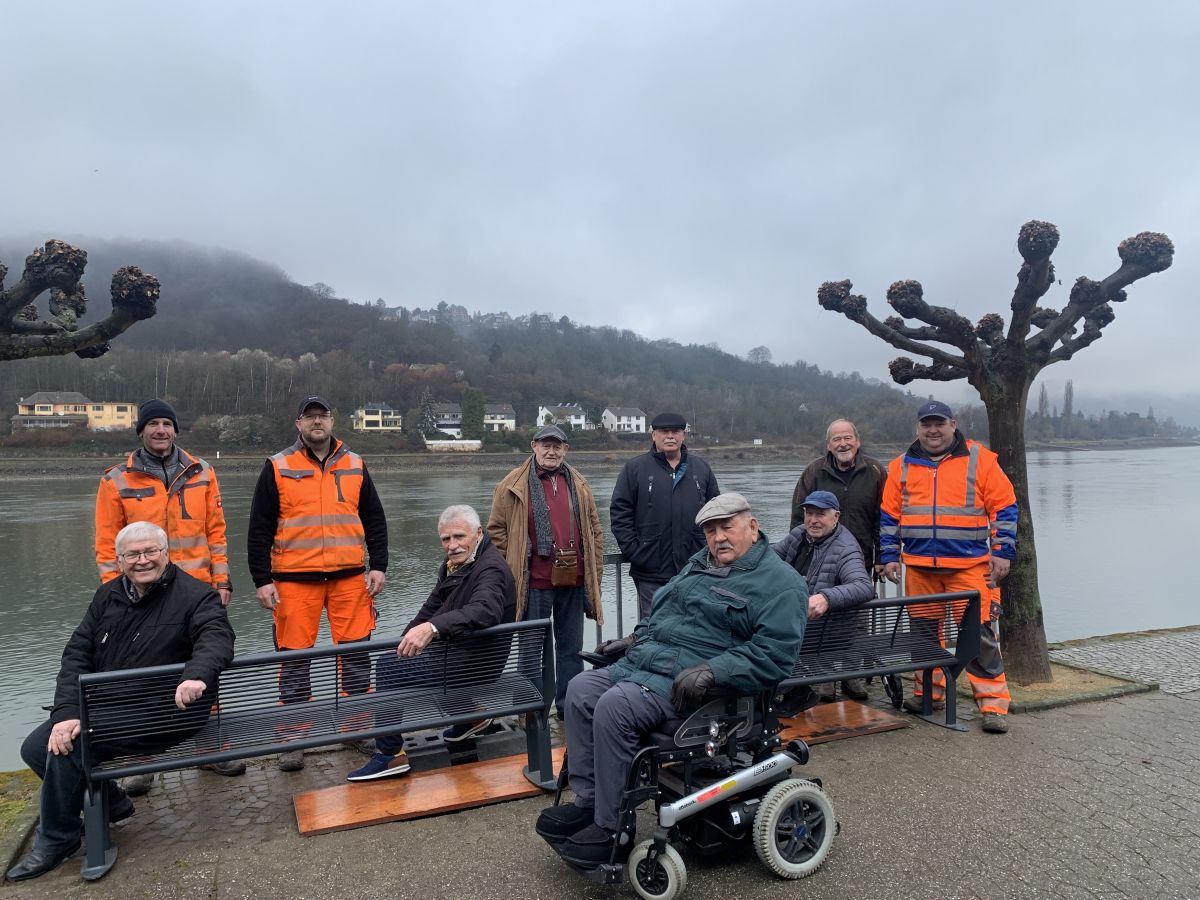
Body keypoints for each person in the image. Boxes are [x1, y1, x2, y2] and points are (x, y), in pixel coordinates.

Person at [535, 493, 806, 864]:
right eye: (711, 531)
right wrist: (633, 639)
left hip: (698, 689)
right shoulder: (699, 565)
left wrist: (715, 670)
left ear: (753, 526)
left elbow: (775, 656)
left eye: (727, 527)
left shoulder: (780, 583)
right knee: (580, 689)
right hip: (647, 663)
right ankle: (590, 802)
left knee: (615, 707)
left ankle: (614, 828)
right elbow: (662, 611)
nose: (719, 538)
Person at [6, 522, 234, 883]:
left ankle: (56, 840)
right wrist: (66, 712)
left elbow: (216, 637)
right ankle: (113, 803)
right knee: (35, 747)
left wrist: (197, 675)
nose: (143, 561)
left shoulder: (196, 595)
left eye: (151, 552)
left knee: (71, 747)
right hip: (109, 707)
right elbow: (76, 654)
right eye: (133, 554)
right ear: (120, 559)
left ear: (166, 553)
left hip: (166, 710)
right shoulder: (108, 596)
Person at [93, 398, 244, 788]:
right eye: (153, 424)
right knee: (140, 677)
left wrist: (222, 581)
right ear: (140, 431)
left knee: (205, 670)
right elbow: (107, 544)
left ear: (176, 430)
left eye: (167, 424)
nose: (161, 430)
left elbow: (216, 532)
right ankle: (143, 763)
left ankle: (209, 752)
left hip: (197, 594)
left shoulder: (203, 472)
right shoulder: (116, 480)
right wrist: (116, 595)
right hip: (140, 596)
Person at [247, 396, 389, 770]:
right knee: (294, 660)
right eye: (309, 417)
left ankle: (357, 727)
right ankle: (294, 737)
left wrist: (379, 566)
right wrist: (262, 579)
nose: (316, 422)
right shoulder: (278, 466)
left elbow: (374, 518)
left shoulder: (355, 464)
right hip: (294, 581)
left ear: (332, 421)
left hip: (349, 579)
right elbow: (259, 527)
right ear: (298, 424)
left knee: (357, 655)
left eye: (322, 416)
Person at [347, 505, 517, 781]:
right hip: (464, 653)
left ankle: (390, 755)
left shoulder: (491, 569)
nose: (452, 545)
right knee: (396, 657)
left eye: (459, 537)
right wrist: (407, 636)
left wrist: (433, 628)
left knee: (388, 668)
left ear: (478, 533)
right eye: (445, 539)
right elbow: (433, 605)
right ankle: (469, 718)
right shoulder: (457, 564)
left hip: (476, 663)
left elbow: (485, 610)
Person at [880, 401, 1017, 734]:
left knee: (980, 637)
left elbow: (1005, 507)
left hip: (969, 568)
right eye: (926, 424)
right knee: (924, 638)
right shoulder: (900, 466)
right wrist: (888, 556)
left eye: (939, 423)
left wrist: (1002, 551)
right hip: (920, 568)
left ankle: (994, 707)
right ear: (917, 429)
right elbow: (889, 516)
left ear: (953, 424)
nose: (932, 430)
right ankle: (928, 696)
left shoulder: (979, 459)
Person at [487, 424, 605, 719]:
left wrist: (595, 571)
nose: (551, 451)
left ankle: (569, 709)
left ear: (566, 450)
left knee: (571, 649)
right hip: (533, 580)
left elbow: (595, 529)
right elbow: (496, 530)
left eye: (557, 446)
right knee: (530, 651)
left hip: (574, 578)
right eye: (546, 445)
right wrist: (516, 559)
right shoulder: (512, 483)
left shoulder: (579, 483)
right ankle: (531, 712)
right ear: (534, 446)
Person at [609, 411, 720, 619]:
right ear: (653, 435)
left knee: (697, 625)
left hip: (695, 567)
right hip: (651, 569)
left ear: (683, 435)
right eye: (664, 431)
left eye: (675, 431)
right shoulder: (635, 469)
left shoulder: (701, 468)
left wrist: (708, 550)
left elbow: (716, 512)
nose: (670, 436)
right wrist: (636, 551)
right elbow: (619, 513)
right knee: (654, 628)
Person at [773, 491, 875, 707]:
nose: (813, 520)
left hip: (819, 631)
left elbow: (863, 586)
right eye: (809, 513)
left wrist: (826, 598)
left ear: (836, 516)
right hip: (796, 620)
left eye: (820, 514)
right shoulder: (800, 534)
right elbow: (773, 556)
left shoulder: (846, 548)